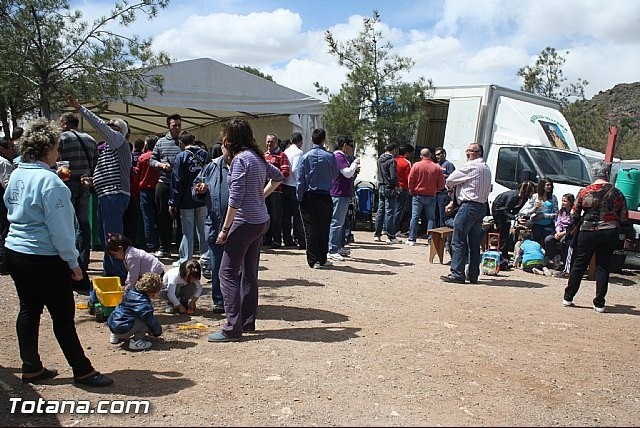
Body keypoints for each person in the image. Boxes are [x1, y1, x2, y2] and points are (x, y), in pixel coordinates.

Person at [4, 118, 112, 387]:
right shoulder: (50, 182)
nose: (59, 152)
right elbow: (62, 230)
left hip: (16, 250)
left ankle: (30, 366)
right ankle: (82, 370)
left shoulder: (18, 173)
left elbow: (8, 204)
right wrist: (73, 262)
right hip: (44, 256)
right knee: (62, 315)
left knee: (29, 309)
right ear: (46, 148)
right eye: (56, 147)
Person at [208, 119, 284, 342]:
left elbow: (235, 198)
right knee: (249, 273)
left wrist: (225, 229)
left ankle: (232, 327)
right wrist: (261, 196)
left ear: (230, 138)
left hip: (245, 222)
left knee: (227, 272)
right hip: (261, 220)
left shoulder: (241, 160)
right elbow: (278, 176)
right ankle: (247, 322)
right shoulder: (257, 157)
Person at [67, 94, 131, 299]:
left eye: (114, 126)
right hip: (106, 196)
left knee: (112, 240)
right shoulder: (108, 151)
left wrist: (80, 108)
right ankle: (109, 277)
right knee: (105, 241)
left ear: (121, 132)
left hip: (114, 196)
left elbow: (100, 125)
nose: (108, 128)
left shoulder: (119, 142)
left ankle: (120, 280)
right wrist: (92, 182)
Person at [563, 161, 628, 313]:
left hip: (587, 231)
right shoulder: (616, 192)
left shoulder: (585, 191)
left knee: (579, 263)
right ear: (607, 173)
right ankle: (599, 303)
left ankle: (568, 297)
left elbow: (574, 213)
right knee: (603, 266)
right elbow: (624, 216)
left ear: (594, 174)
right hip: (609, 230)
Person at [441, 142, 491, 284]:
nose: (467, 153)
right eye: (467, 150)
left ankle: (457, 273)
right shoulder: (486, 168)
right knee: (474, 243)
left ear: (478, 153)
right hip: (481, 206)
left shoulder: (472, 165)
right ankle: (473, 274)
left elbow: (450, 180)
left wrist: (451, 187)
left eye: (471, 151)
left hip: (468, 206)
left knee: (458, 240)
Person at [192, 144, 231, 313]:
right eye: (225, 146)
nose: (227, 149)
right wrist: (199, 190)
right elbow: (195, 189)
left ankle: (235, 299)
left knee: (236, 267)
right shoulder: (211, 167)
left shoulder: (241, 166)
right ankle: (219, 300)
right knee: (217, 265)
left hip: (238, 227)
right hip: (215, 225)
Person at [58, 112, 99, 274]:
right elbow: (96, 164)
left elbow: (57, 161)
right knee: (83, 223)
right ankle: (83, 261)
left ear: (66, 124)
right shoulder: (91, 140)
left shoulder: (62, 139)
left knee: (67, 223)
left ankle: (69, 262)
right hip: (85, 184)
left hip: (67, 183)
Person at [296, 128, 339, 270]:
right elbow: (335, 174)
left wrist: (299, 197)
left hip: (309, 195)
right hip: (325, 195)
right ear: (323, 140)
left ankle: (313, 260)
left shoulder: (305, 157)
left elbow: (300, 180)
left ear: (311, 140)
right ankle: (322, 257)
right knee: (324, 228)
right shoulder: (330, 156)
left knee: (310, 229)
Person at [170, 131, 208, 267]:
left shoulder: (181, 157)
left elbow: (177, 181)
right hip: (202, 198)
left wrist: (173, 201)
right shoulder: (205, 154)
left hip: (186, 200)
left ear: (181, 142)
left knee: (188, 231)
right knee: (203, 229)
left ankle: (186, 259)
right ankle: (206, 259)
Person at [150, 114, 183, 257]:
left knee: (182, 218)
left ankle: (182, 248)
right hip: (164, 183)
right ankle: (165, 247)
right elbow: (152, 160)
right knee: (163, 217)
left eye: (179, 125)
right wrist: (161, 165)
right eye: (174, 125)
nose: (177, 128)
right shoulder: (161, 142)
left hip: (182, 186)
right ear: (168, 126)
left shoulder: (184, 142)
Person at [107, 272, 163, 350]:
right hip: (123, 329)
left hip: (113, 324)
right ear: (153, 292)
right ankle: (137, 341)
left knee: (123, 311)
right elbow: (151, 322)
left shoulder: (129, 292)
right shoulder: (144, 304)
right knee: (145, 321)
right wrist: (157, 332)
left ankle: (115, 336)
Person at [490, 181, 537, 270]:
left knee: (506, 234)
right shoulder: (514, 196)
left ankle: (504, 256)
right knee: (503, 234)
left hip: (505, 212)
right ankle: (502, 258)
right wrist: (515, 218)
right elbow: (505, 211)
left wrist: (517, 217)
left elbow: (515, 211)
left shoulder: (524, 198)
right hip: (498, 210)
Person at [328, 135, 360, 262]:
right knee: (336, 222)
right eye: (351, 146)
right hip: (338, 193)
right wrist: (355, 164)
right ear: (345, 145)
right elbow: (346, 173)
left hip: (343, 193)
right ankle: (332, 250)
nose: (352, 149)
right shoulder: (338, 156)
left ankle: (337, 247)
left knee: (339, 223)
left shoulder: (342, 157)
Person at [406, 148, 444, 246]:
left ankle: (412, 239)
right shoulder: (437, 167)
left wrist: (412, 189)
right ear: (430, 155)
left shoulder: (416, 165)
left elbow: (411, 179)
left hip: (418, 194)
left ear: (421, 156)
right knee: (431, 218)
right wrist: (436, 189)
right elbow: (441, 184)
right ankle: (430, 240)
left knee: (415, 217)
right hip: (431, 195)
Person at [263, 133, 290, 249]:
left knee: (276, 216)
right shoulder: (263, 155)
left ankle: (277, 239)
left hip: (276, 191)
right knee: (265, 215)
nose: (269, 144)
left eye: (272, 142)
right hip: (263, 191)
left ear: (277, 143)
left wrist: (274, 179)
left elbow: (286, 172)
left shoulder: (282, 155)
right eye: (268, 141)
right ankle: (266, 238)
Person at [135, 135, 161, 253]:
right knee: (160, 217)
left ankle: (151, 245)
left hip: (145, 190)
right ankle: (161, 244)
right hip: (159, 190)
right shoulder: (160, 158)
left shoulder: (142, 158)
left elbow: (137, 174)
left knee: (148, 219)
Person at [518, 178, 558, 245]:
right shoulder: (535, 197)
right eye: (547, 185)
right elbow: (525, 211)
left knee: (547, 241)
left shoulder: (553, 198)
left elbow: (556, 214)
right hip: (536, 224)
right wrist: (534, 208)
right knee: (535, 243)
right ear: (542, 186)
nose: (549, 187)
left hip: (548, 225)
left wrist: (543, 215)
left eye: (550, 185)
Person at [282, 132, 305, 249]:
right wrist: (299, 182)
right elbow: (296, 168)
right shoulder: (299, 152)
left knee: (286, 214)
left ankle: (287, 239)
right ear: (300, 141)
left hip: (285, 184)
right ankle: (301, 239)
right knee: (297, 215)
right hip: (294, 185)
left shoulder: (285, 151)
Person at [374, 143, 401, 243]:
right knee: (390, 212)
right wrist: (397, 185)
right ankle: (391, 236)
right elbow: (393, 176)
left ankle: (377, 234)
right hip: (389, 186)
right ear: (394, 149)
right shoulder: (391, 161)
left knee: (380, 211)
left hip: (381, 185)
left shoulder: (380, 159)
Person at [544, 193, 575, 270]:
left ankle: (565, 262)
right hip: (559, 232)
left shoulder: (573, 213)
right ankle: (554, 257)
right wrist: (558, 232)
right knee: (548, 239)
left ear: (570, 202)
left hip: (568, 233)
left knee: (563, 242)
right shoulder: (561, 212)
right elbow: (558, 223)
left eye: (565, 201)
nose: (563, 203)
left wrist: (562, 233)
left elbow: (572, 226)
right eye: (562, 201)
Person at [0, 137, 16, 274]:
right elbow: (8, 185)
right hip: (3, 201)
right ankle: (3, 264)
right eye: (10, 148)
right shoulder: (4, 163)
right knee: (4, 230)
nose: (13, 150)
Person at [393, 144, 413, 235]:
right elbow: (409, 177)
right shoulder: (406, 162)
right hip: (403, 187)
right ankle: (395, 229)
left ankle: (387, 227)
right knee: (399, 209)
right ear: (407, 153)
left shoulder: (394, 160)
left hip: (393, 186)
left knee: (390, 208)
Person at [435, 147, 456, 227]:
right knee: (435, 215)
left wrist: (442, 176)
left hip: (444, 193)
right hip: (435, 193)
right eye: (436, 155)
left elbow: (452, 178)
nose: (437, 156)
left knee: (442, 215)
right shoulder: (436, 165)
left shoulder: (448, 165)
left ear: (444, 154)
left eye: (439, 154)